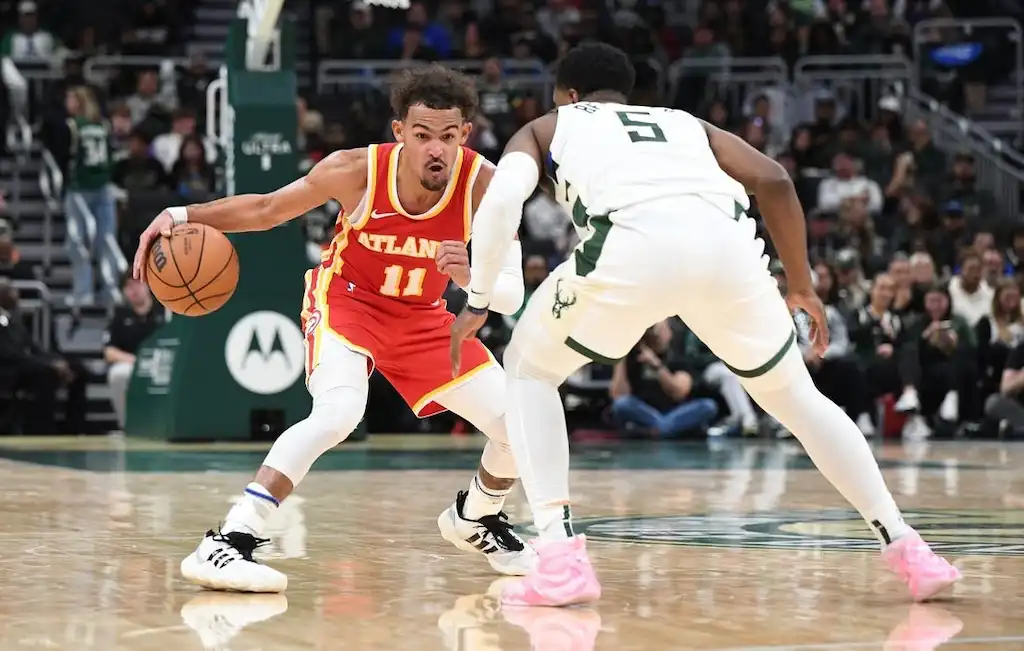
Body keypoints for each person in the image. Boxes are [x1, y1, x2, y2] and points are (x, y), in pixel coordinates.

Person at [450, 42, 960, 607]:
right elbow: (776, 181)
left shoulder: (550, 125)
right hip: (730, 254)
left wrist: (477, 298)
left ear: (567, 94)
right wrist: (802, 285)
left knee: (529, 369)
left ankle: (560, 556)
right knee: (797, 398)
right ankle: (907, 546)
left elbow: (500, 205)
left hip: (630, 250)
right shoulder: (686, 124)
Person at [132, 66, 534, 592]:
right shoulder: (356, 170)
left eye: (448, 136)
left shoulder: (488, 186)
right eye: (422, 135)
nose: (436, 149)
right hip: (348, 301)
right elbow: (267, 209)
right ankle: (228, 542)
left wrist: (470, 276)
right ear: (399, 134)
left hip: (422, 317)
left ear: (466, 134)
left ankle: (476, 516)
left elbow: (511, 293)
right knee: (341, 411)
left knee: (523, 427)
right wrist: (181, 212)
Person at [609, 320, 718, 438]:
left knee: (708, 406)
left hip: (675, 412)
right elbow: (618, 395)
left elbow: (679, 392)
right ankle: (665, 428)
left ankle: (659, 429)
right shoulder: (634, 356)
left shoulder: (676, 356)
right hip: (643, 411)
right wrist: (621, 358)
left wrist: (657, 366)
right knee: (621, 404)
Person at [64, 85, 116, 305]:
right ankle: (110, 289)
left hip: (80, 189)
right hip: (104, 186)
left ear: (79, 102)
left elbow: (65, 156)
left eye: (70, 98)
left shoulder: (73, 125)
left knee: (78, 242)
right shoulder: (103, 125)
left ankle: (83, 292)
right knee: (106, 240)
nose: (66, 103)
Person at [103, 273, 165, 429]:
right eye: (128, 286)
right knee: (118, 374)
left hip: (161, 362)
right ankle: (127, 425)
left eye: (138, 283)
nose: (134, 289)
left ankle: (163, 423)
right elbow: (109, 352)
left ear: (148, 286)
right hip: (132, 363)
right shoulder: (119, 315)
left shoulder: (164, 311)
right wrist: (134, 360)